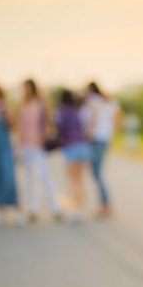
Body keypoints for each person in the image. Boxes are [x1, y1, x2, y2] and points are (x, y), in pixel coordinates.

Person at [15, 78, 62, 223]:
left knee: (44, 175)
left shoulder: (41, 104)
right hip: (26, 144)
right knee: (29, 178)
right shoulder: (22, 104)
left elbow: (50, 123)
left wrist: (44, 136)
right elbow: (20, 126)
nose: (26, 90)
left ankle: (55, 207)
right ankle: (33, 209)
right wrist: (18, 144)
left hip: (39, 145)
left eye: (27, 87)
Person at [81, 81, 122, 218]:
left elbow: (93, 117)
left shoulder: (92, 100)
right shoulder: (107, 101)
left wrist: (89, 131)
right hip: (105, 139)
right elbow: (118, 114)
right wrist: (112, 129)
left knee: (96, 173)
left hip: (96, 139)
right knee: (96, 172)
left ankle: (106, 204)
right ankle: (104, 204)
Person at [54, 89, 91, 225]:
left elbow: (59, 128)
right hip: (82, 146)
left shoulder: (61, 111)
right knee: (80, 180)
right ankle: (81, 208)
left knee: (72, 180)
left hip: (70, 147)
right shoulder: (78, 110)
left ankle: (76, 209)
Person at [0, 83, 26, 227]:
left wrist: (3, 110)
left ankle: (17, 211)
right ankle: (0, 212)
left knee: (9, 178)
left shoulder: (4, 107)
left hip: (4, 147)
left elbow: (11, 124)